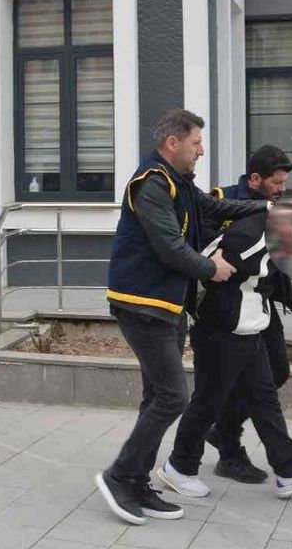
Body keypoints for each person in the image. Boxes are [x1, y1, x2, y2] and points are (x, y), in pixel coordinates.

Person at [94, 108, 269, 526]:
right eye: (196, 143)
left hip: (167, 305)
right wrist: (213, 269)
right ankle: (119, 476)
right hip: (141, 304)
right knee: (173, 396)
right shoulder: (151, 183)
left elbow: (213, 206)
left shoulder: (180, 182)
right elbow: (169, 246)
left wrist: (266, 205)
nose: (201, 150)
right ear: (172, 143)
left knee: (156, 396)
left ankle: (137, 482)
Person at [157, 202, 292, 500]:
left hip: (247, 331)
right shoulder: (249, 239)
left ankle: (289, 469)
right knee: (207, 403)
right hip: (221, 334)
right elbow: (208, 271)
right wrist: (220, 317)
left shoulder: (266, 236)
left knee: (265, 401)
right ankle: (179, 467)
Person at [201, 145, 292, 484]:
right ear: (255, 179)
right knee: (225, 382)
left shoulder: (277, 206)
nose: (282, 189)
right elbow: (198, 244)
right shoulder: (221, 200)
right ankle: (228, 453)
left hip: (261, 303)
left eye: (284, 182)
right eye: (276, 182)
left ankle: (220, 431)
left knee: (278, 371)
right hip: (227, 308)